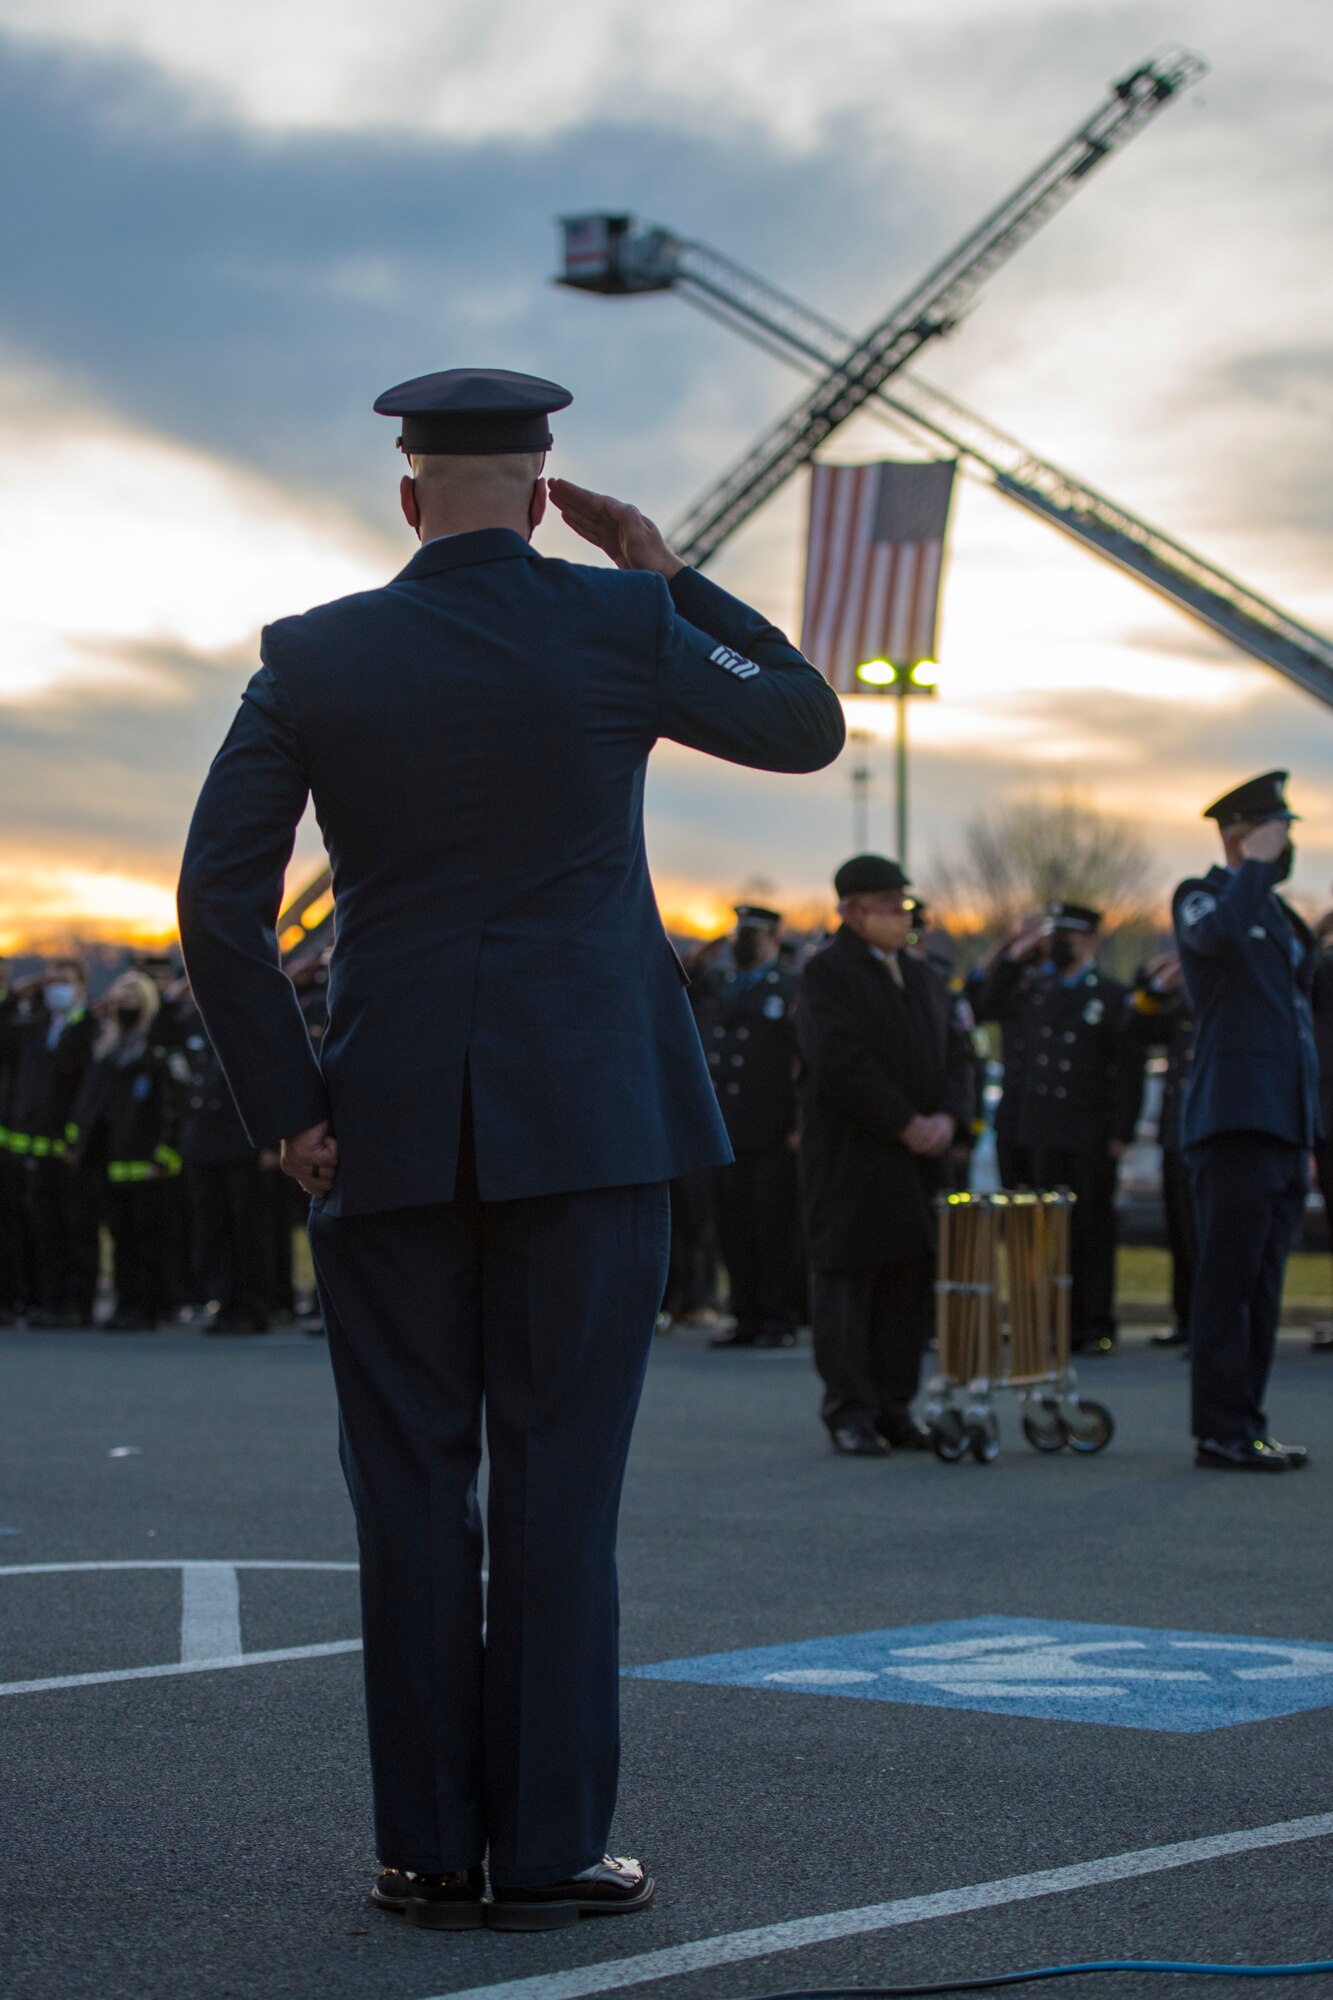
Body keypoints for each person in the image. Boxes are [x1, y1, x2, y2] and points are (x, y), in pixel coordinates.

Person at [177, 366, 844, 1929]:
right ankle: (546, 1854)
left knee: (408, 1491)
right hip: (591, 1117)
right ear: (544, 493)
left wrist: (291, 1112)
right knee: (561, 1490)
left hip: (386, 1127)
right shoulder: (618, 626)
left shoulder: (313, 656)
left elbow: (218, 902)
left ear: (408, 496)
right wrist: (668, 578)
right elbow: (807, 726)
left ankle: (422, 1849)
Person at [796, 855, 973, 1457]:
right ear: (854, 910)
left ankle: (897, 1407)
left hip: (918, 1162)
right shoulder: (827, 974)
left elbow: (959, 1053)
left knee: (908, 1284)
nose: (906, 916)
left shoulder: (921, 977)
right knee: (850, 1286)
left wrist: (949, 1117)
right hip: (855, 1161)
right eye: (893, 905)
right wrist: (905, 1122)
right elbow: (841, 1062)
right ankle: (851, 1411)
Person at [1173, 771, 1315, 1470]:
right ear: (1240, 831)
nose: (1287, 844)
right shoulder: (1200, 896)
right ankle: (1218, 1430)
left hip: (1283, 1124)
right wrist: (1252, 864)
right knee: (1225, 1282)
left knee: (1262, 1283)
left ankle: (1246, 1424)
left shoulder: (1283, 919)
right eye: (1277, 830)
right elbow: (1217, 939)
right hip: (1232, 1121)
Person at [970, 901, 1144, 1355]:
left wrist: (1120, 1132)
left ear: (1088, 940)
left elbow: (1127, 1069)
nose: (1052, 945)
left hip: (1088, 1128)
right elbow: (983, 1004)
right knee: (1041, 1231)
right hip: (1040, 1129)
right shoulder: (1034, 991)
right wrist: (1012, 953)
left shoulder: (1109, 996)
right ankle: (1046, 1320)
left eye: (1063, 936)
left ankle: (1093, 1322)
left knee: (1090, 1229)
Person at [696, 904, 806, 1349]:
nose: (744, 942)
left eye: (754, 935)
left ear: (774, 941)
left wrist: (801, 1122)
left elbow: (805, 1060)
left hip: (773, 1128)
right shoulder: (723, 987)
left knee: (773, 1228)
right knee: (733, 1226)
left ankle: (778, 1319)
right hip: (728, 1126)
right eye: (740, 933)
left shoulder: (791, 988)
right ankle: (745, 1315)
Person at [68, 970, 182, 1331]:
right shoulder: (106, 1053)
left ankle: (149, 1307)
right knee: (121, 1242)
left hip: (147, 1167)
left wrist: (163, 1157)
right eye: (118, 1001)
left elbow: (172, 1109)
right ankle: (125, 1303)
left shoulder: (156, 1052)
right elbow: (89, 1108)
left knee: (149, 1241)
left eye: (130, 1000)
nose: (123, 1007)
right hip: (112, 1165)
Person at [9, 958, 100, 1328]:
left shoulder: (91, 1029)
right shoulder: (35, 1027)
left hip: (71, 1151)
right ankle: (50, 1301)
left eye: (65, 981)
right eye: (52, 982)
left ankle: (78, 1304)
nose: (56, 989)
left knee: (75, 1228)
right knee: (43, 1229)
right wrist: (18, 993)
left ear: (80, 986)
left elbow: (90, 1093)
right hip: (36, 1148)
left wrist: (76, 1140)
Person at [1127, 954, 1196, 1349]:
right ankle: (1185, 1319)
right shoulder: (1179, 1004)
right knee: (1181, 1233)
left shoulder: (1216, 998)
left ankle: (1207, 1326)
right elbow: (1136, 1027)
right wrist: (1156, 984)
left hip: (1208, 1131)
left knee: (1205, 1237)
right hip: (1177, 1133)